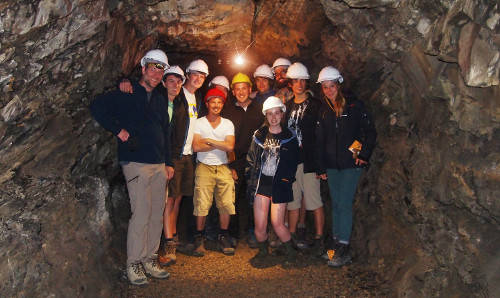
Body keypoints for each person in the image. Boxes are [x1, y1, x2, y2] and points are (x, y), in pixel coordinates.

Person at [90, 49, 173, 285]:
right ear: (144, 68)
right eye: (154, 67)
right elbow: (97, 107)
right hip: (135, 161)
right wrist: (119, 131)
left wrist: (169, 162)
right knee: (141, 212)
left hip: (158, 163)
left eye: (161, 69)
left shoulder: (159, 98)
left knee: (157, 213)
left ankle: (149, 258)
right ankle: (133, 263)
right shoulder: (126, 92)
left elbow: (166, 133)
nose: (157, 73)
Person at [315, 66, 377, 267]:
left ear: (338, 85)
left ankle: (344, 247)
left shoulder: (354, 106)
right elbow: (321, 140)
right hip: (332, 165)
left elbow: (369, 131)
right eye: (325, 87)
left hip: (350, 164)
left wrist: (363, 154)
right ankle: (335, 244)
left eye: (331, 86)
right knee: (336, 204)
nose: (329, 90)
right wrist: (321, 167)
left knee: (344, 204)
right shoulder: (324, 110)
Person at [246, 96, 299, 263]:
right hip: (261, 185)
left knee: (277, 223)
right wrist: (250, 179)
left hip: (279, 185)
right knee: (260, 226)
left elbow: (292, 162)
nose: (274, 117)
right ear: (265, 115)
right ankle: (263, 252)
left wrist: (286, 180)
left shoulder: (289, 136)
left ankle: (291, 253)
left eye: (277, 113)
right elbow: (251, 159)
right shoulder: (259, 135)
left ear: (282, 114)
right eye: (270, 114)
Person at [285, 62, 325, 255]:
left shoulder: (316, 105)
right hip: (292, 161)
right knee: (293, 201)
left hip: (310, 161)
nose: (299, 84)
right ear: (290, 84)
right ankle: (292, 236)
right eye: (295, 81)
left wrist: (320, 164)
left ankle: (319, 238)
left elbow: (321, 135)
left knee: (313, 201)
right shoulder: (287, 107)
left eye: (302, 80)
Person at [222, 72, 265, 248]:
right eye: (237, 89)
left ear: (250, 89)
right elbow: (225, 140)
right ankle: (231, 234)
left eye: (244, 88)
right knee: (232, 198)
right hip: (236, 160)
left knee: (255, 198)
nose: (241, 92)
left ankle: (253, 231)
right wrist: (230, 165)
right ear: (233, 92)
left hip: (256, 161)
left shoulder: (259, 109)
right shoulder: (228, 111)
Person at [192, 88, 236, 256]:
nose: (216, 105)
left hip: (223, 166)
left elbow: (230, 146)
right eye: (213, 101)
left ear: (222, 104)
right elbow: (196, 146)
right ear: (207, 103)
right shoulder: (199, 123)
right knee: (202, 204)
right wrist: (220, 143)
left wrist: (209, 141)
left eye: (219, 102)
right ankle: (199, 238)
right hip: (204, 166)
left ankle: (223, 236)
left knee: (226, 203)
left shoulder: (228, 123)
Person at [156, 65, 185, 266]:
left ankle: (167, 241)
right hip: (156, 159)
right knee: (162, 203)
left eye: (178, 81)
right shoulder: (157, 103)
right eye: (171, 81)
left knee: (172, 199)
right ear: (164, 83)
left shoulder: (178, 105)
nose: (175, 85)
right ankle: (165, 244)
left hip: (171, 158)